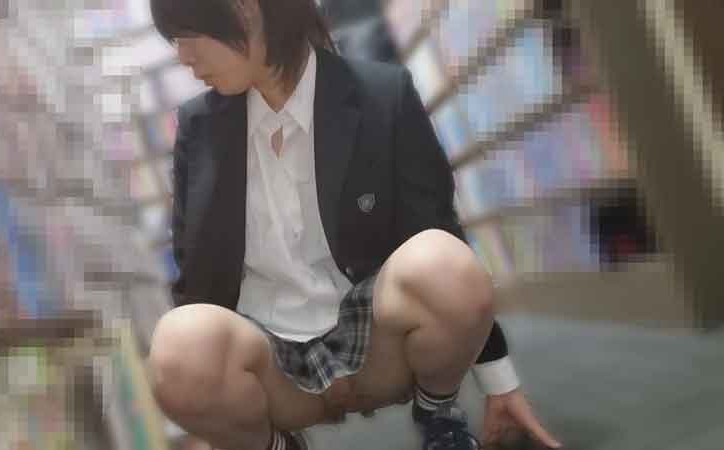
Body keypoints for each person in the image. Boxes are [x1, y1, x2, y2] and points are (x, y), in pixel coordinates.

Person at [147, 1, 562, 450]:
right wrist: (206, 407)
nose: (182, 56)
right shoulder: (198, 127)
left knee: (445, 262)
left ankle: (438, 416)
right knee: (176, 343)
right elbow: (195, 284)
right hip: (271, 365)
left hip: (378, 347)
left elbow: (440, 233)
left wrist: (499, 381)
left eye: (187, 33)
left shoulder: (382, 94)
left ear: (245, 8)